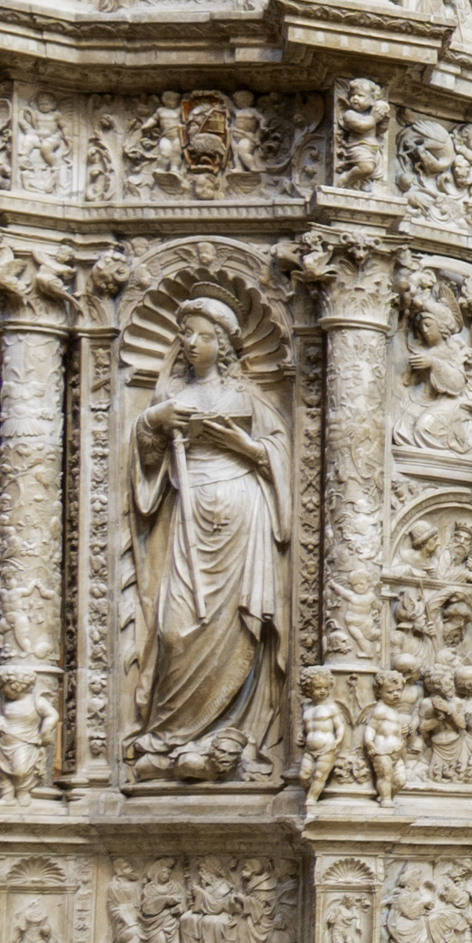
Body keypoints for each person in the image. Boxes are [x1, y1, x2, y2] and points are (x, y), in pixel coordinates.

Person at [129, 300, 288, 776]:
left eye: (198, 333)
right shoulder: (169, 396)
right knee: (174, 628)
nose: (187, 341)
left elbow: (278, 453)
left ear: (222, 343)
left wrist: (244, 446)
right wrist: (155, 422)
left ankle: (226, 733)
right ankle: (169, 736)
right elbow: (145, 461)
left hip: (243, 512)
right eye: (183, 332)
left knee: (236, 624)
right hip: (189, 511)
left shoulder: (249, 398)